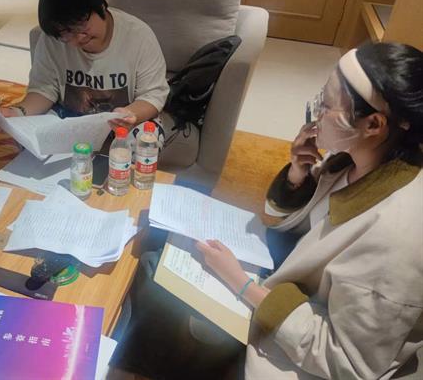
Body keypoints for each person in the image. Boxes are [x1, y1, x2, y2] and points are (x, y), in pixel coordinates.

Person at [111, 42, 423, 379]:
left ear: (374, 124)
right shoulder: (356, 159)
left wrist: (243, 285)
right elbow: (304, 226)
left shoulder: (397, 238)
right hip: (284, 276)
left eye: (326, 105)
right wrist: (297, 175)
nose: (315, 116)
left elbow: (345, 360)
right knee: (158, 243)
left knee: (158, 282)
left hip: (299, 343)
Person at [0, 0, 169, 140]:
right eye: (67, 33)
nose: (78, 37)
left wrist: (130, 114)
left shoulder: (138, 36)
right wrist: (16, 113)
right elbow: (44, 90)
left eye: (81, 25)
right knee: (33, 136)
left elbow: (153, 94)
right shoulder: (53, 40)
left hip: (126, 119)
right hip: (69, 116)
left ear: (100, 6)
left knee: (147, 138)